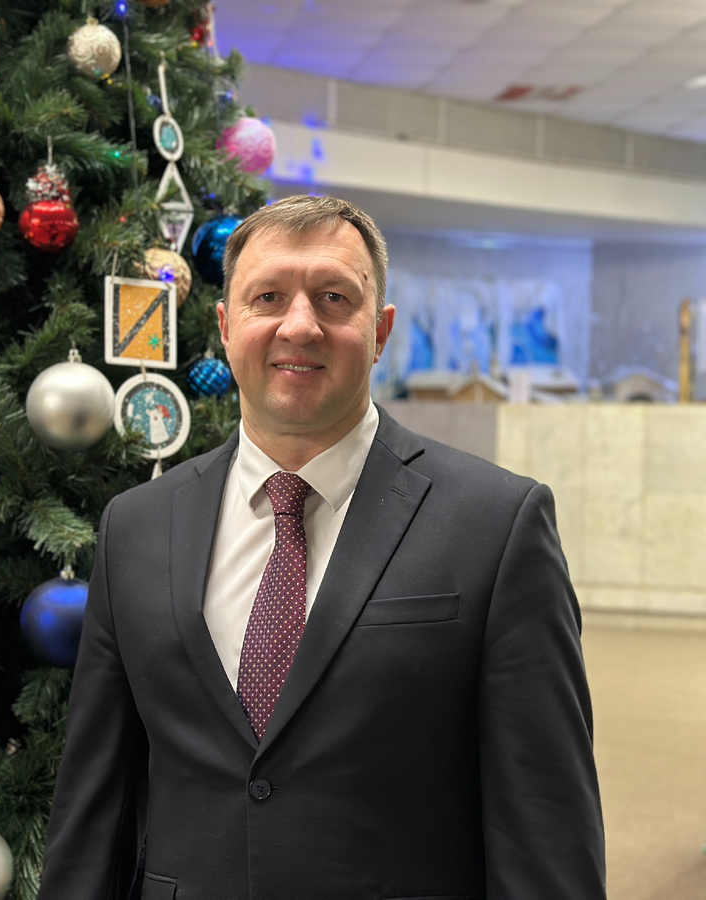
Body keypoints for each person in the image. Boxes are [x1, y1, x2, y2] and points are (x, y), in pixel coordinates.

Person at [36, 195, 606, 900]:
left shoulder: (496, 524)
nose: (300, 325)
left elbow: (546, 828)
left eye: (334, 297)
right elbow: (94, 807)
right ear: (225, 327)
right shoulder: (137, 526)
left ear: (380, 331)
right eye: (267, 297)